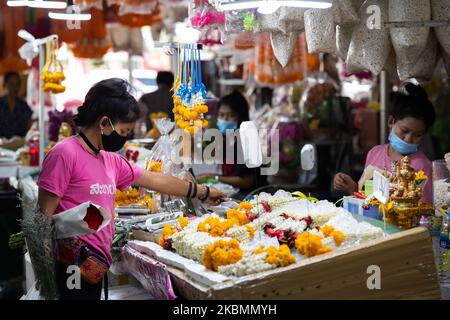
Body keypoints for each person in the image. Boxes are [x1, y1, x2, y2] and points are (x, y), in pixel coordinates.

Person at [37, 78, 225, 300]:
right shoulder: (64, 154)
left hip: (96, 264)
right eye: (124, 131)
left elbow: (155, 179)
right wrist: (50, 271)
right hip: (71, 266)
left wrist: (202, 191)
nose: (125, 138)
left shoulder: (110, 161)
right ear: (104, 123)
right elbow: (42, 219)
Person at [334, 83, 435, 204]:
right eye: (404, 131)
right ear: (391, 122)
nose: (408, 139)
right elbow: (365, 199)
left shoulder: (422, 166)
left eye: (417, 135)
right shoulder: (375, 153)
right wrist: (352, 188)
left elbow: (423, 212)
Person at [197, 91, 259, 197]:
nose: (225, 120)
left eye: (231, 115)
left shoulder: (246, 140)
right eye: (221, 115)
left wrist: (214, 177)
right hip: (232, 192)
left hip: (249, 196)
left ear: (241, 117)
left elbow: (247, 181)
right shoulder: (226, 137)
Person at [0, 71, 33, 139]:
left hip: (19, 146)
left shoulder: (24, 106)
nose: (14, 88)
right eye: (11, 84)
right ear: (4, 85)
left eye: (17, 84)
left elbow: (28, 126)